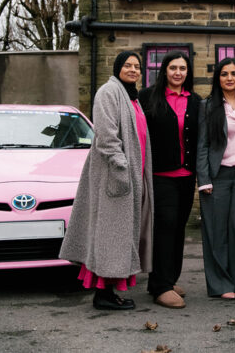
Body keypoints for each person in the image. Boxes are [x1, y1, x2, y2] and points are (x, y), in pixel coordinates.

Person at [60, 51, 153, 311]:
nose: (133, 70)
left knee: (119, 236)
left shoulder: (131, 96)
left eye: (137, 66)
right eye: (128, 65)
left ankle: (111, 291)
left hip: (132, 174)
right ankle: (103, 294)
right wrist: (121, 167)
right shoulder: (108, 92)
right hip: (115, 175)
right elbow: (106, 134)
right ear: (117, 68)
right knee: (110, 235)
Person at [138, 51, 201, 309]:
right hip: (160, 175)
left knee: (178, 229)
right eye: (173, 67)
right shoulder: (148, 97)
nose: (178, 72)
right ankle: (160, 286)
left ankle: (168, 279)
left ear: (188, 72)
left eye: (182, 68)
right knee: (165, 228)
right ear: (164, 70)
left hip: (187, 176)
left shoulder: (196, 101)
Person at [196, 57, 235, 299]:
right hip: (218, 174)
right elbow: (203, 145)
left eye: (234, 73)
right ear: (218, 78)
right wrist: (204, 179)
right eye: (224, 74)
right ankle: (220, 284)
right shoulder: (208, 106)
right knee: (216, 230)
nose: (229, 78)